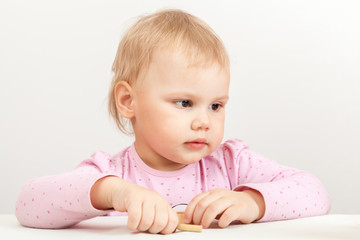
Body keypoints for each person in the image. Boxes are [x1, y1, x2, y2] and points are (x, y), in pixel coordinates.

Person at [15, 9, 331, 234]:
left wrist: (252, 202)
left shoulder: (230, 164)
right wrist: (116, 193)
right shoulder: (114, 174)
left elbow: (315, 193)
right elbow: (29, 204)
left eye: (216, 106)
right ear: (128, 101)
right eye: (185, 103)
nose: (204, 122)